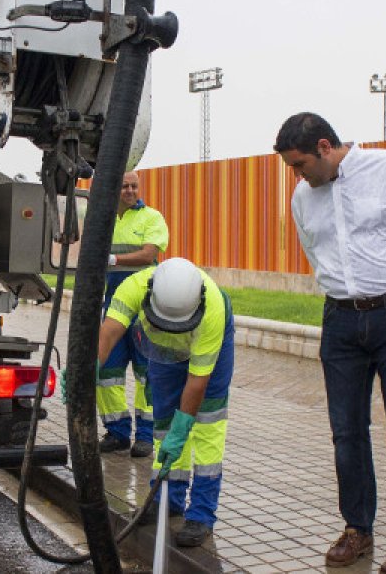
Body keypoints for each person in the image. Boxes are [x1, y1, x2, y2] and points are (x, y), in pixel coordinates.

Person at [273, 112, 386, 574]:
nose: (297, 175)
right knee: (346, 433)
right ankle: (358, 529)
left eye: (299, 164)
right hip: (340, 322)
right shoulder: (303, 196)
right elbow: (316, 251)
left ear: (325, 147)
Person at [98, 257, 234, 548]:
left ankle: (201, 515)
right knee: (163, 425)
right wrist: (85, 369)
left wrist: (184, 425)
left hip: (208, 355)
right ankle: (166, 501)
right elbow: (108, 332)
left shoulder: (213, 311)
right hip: (163, 355)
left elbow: (198, 381)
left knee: (207, 425)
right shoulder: (134, 286)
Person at [96, 171, 169, 457]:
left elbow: (148, 254)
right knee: (106, 372)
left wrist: (113, 259)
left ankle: (146, 437)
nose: (129, 190)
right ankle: (117, 432)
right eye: (124, 185)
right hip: (113, 307)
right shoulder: (104, 219)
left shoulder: (152, 217)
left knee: (146, 374)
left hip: (143, 309)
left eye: (134, 186)